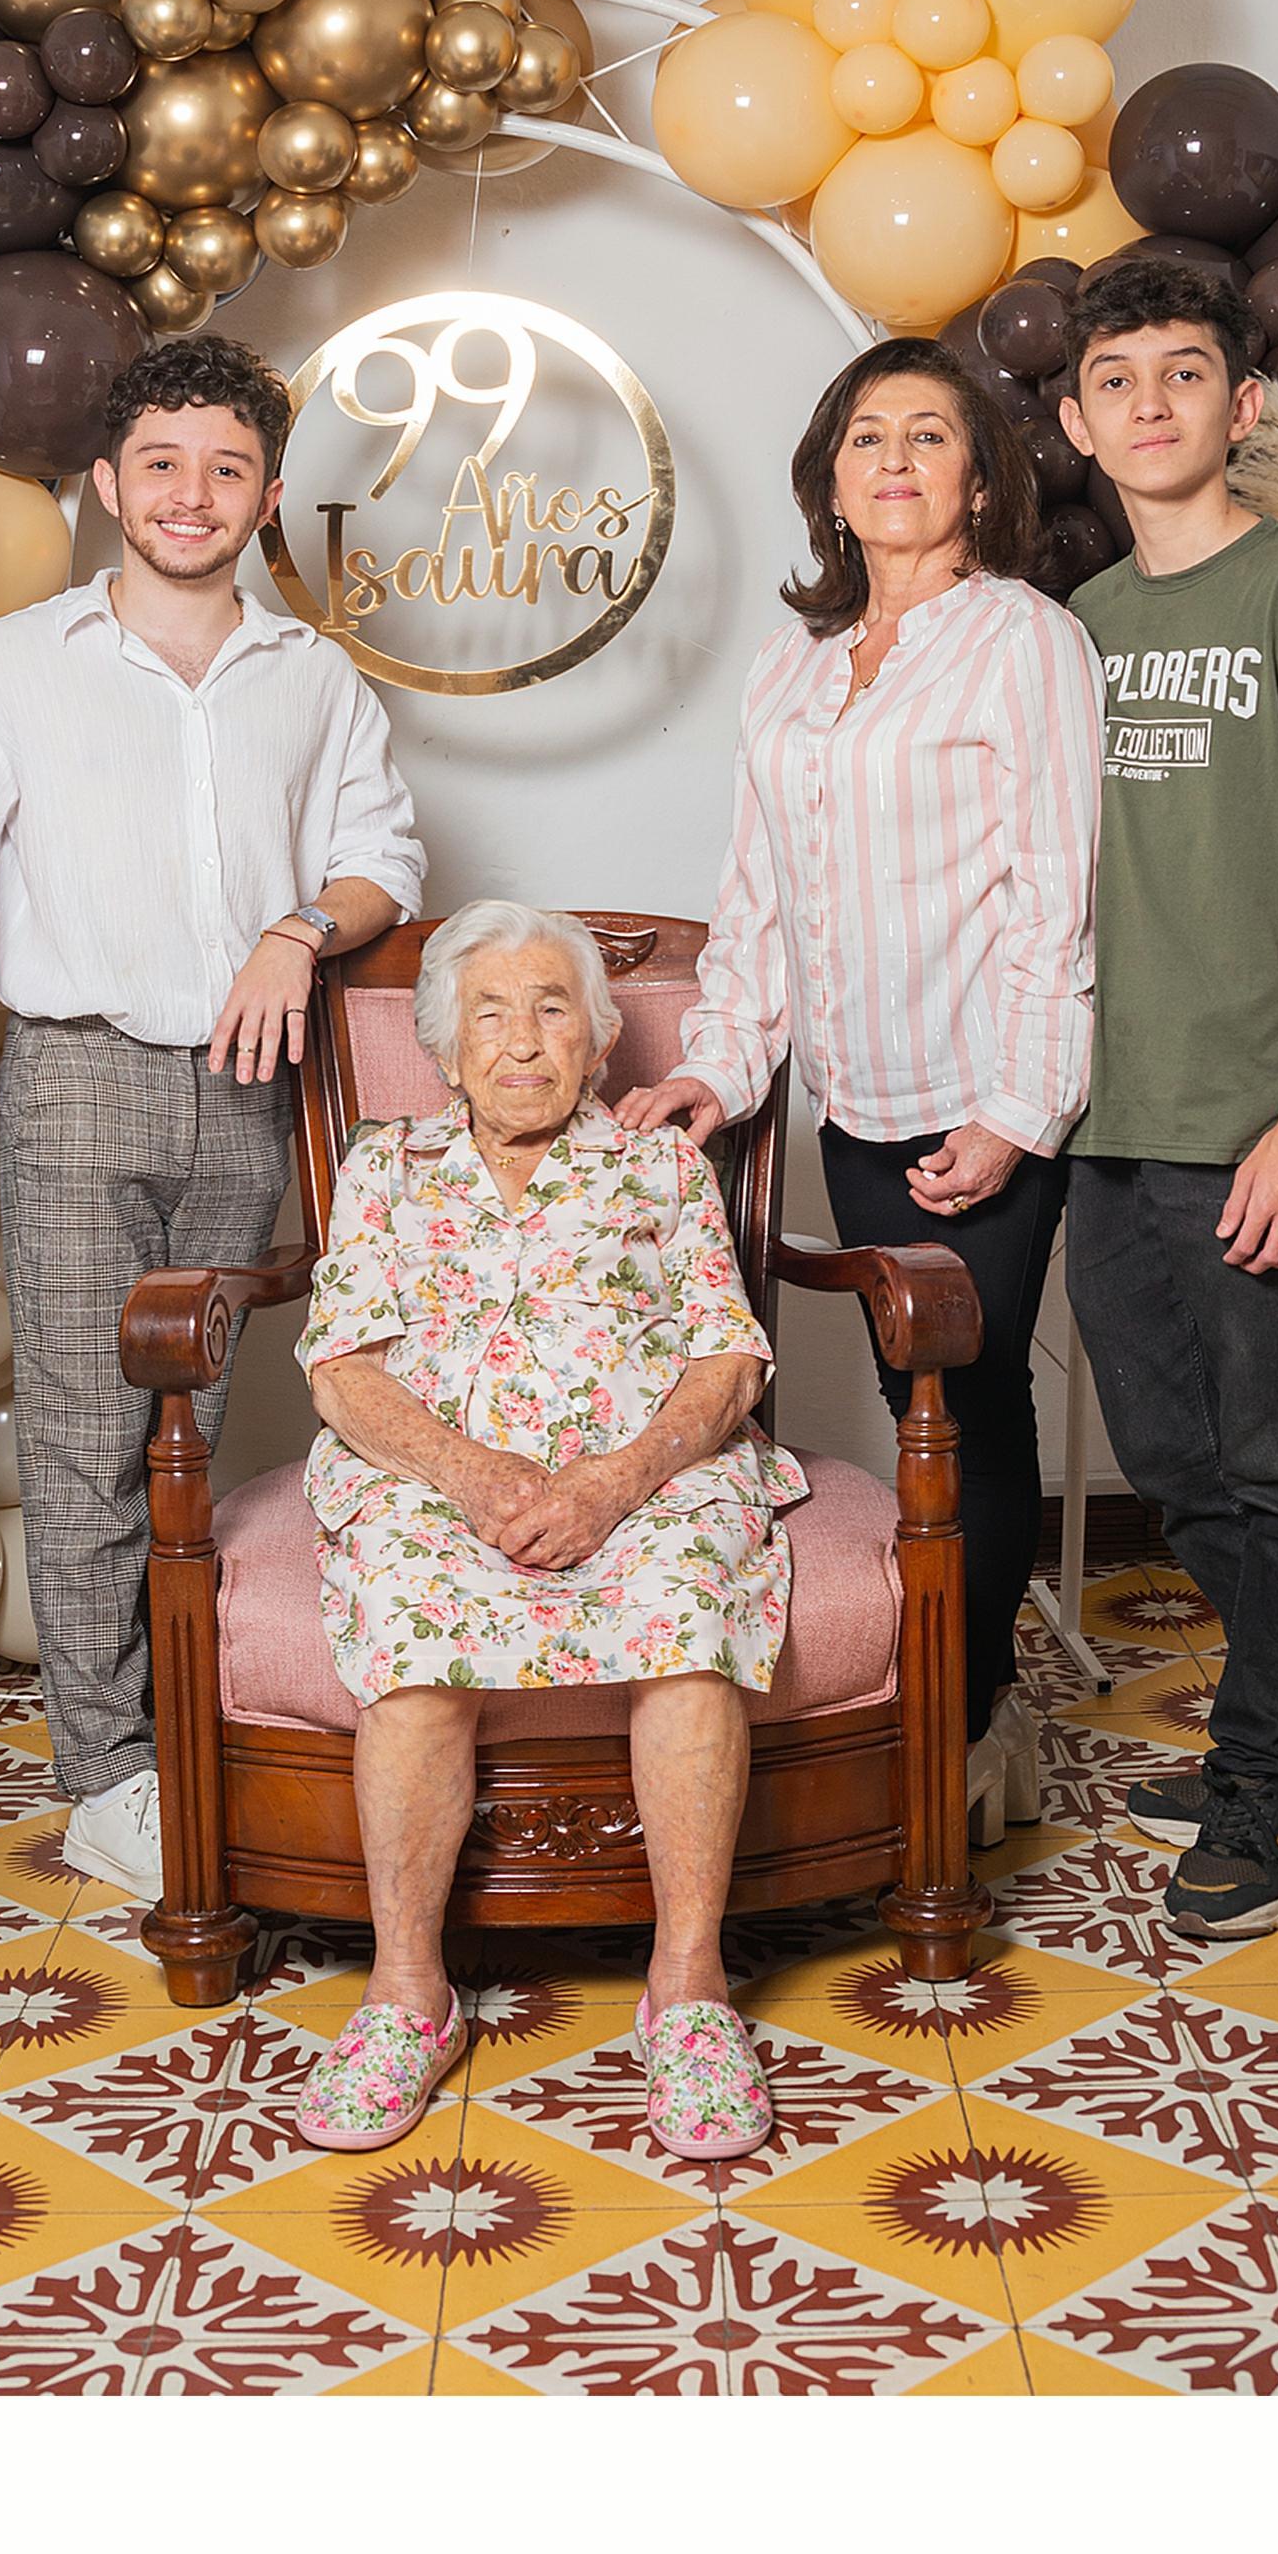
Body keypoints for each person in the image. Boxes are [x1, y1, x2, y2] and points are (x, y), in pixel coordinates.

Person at [619, 336, 1103, 1843]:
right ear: (830, 479)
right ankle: (968, 1694)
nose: (895, 459)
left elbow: (1057, 892)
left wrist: (1017, 1111)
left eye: (929, 435)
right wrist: (716, 1064)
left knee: (969, 1402)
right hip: (856, 1099)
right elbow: (757, 894)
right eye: (866, 436)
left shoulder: (1025, 640)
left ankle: (965, 1721)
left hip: (980, 1090)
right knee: (918, 1403)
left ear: (981, 479)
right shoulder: (795, 664)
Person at [0, 333, 424, 1901]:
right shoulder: (7, 665)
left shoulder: (312, 674)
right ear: (107, 482)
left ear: (267, 496)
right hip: (76, 1072)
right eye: (160, 461)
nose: (190, 491)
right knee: (86, 1437)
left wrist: (298, 929)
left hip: (246, 1079)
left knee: (190, 1434)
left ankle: (177, 1737)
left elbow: (383, 857)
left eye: (226, 467)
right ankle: (106, 1779)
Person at [289, 903, 800, 2161]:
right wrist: (468, 1475)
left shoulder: (660, 1168)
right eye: (490, 1014)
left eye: (553, 1009)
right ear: (444, 1048)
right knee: (411, 1618)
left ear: (601, 1040)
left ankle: (689, 1991)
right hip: (435, 1472)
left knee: (687, 1609)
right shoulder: (385, 1166)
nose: (523, 1042)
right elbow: (341, 1367)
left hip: (646, 1470)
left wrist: (613, 1484)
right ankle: (409, 1995)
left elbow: (728, 1361)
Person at [1054, 257, 1278, 1938]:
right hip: (1105, 1111)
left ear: (1241, 402)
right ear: (1077, 422)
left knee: (1275, 1464)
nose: (1148, 402)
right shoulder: (1075, 627)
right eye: (1114, 378)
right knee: (1169, 1456)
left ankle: (1258, 1783)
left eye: (1181, 371)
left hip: (1255, 1111)